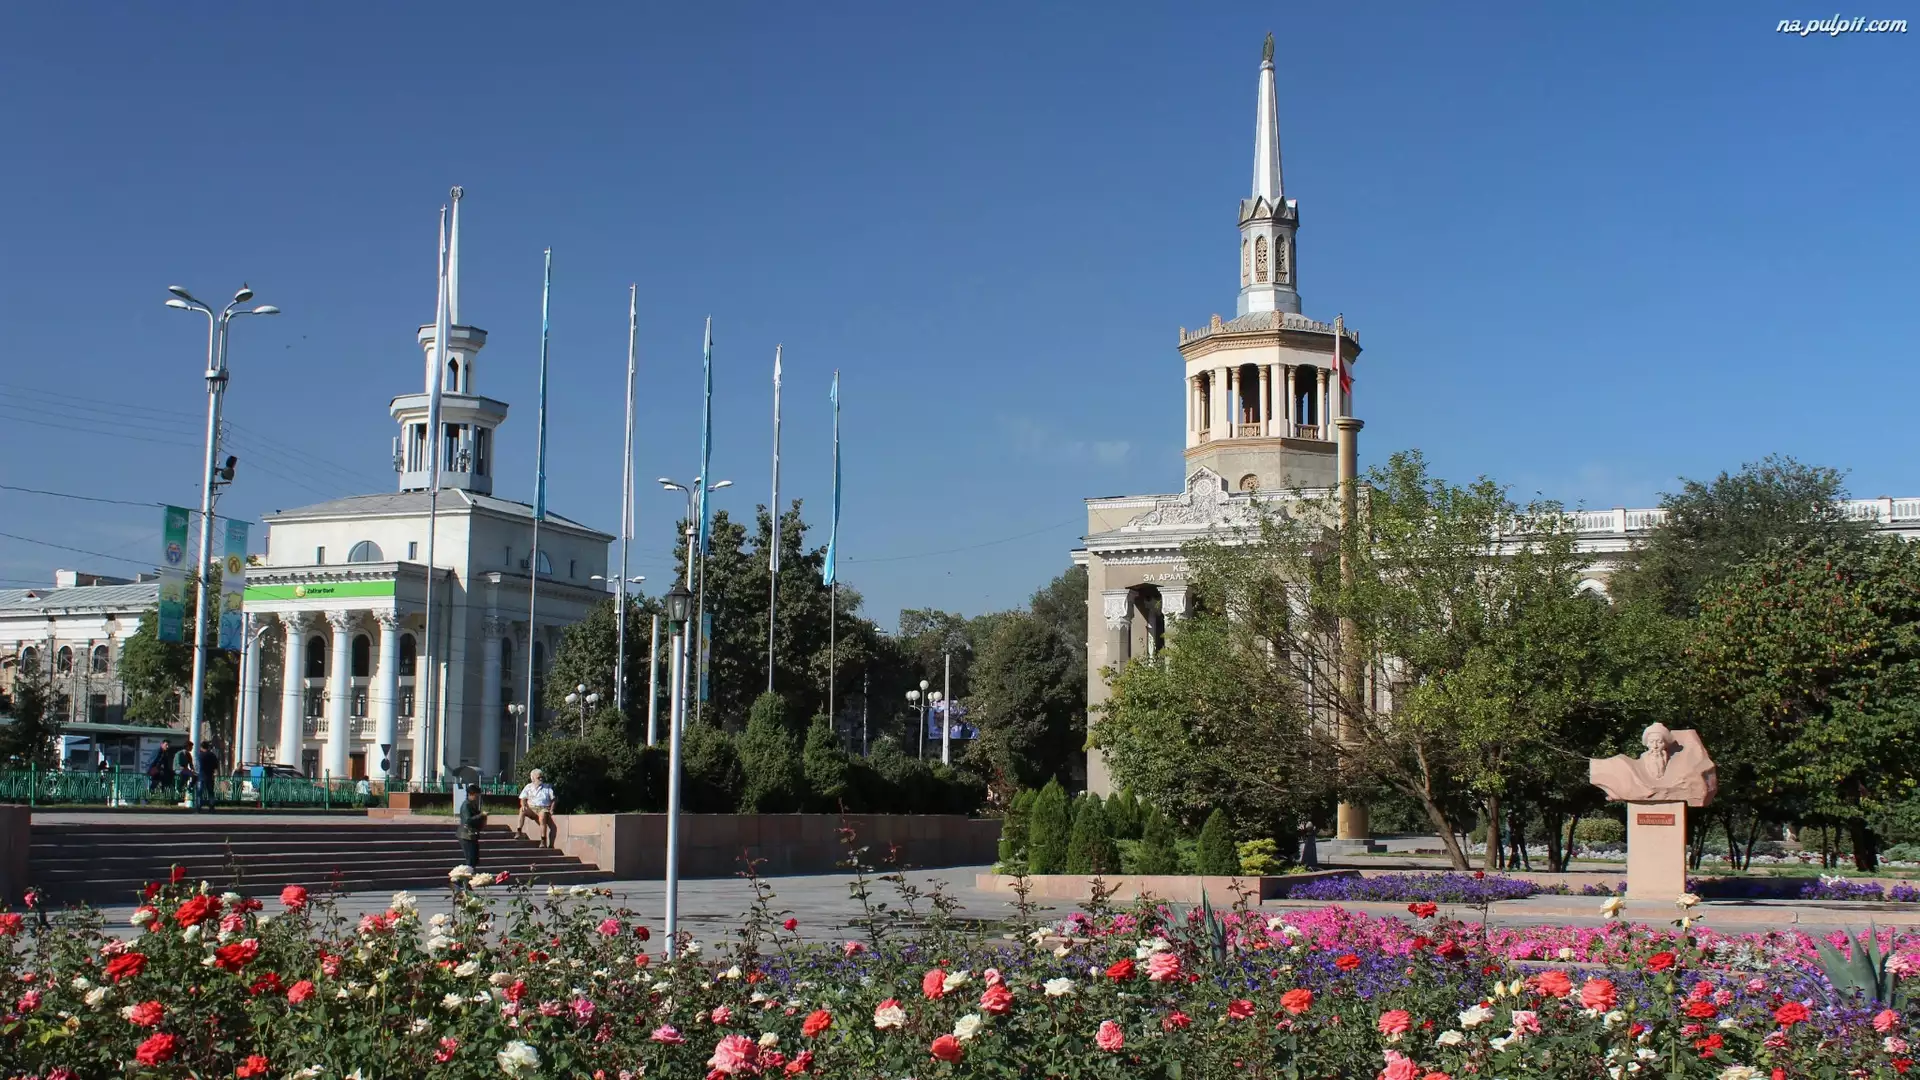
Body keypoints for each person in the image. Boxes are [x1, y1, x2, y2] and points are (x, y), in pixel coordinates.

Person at [518, 769, 556, 848]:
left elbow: (553, 800)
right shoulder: (528, 787)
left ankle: (543, 841)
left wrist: (551, 810)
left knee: (543, 817)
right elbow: (522, 798)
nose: (541, 779)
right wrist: (523, 805)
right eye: (539, 777)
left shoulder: (547, 787)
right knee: (522, 810)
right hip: (531, 808)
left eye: (542, 777)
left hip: (543, 809)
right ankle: (519, 831)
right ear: (533, 778)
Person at [456, 784, 487, 870]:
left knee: (474, 859)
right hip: (466, 835)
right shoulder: (466, 805)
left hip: (473, 835)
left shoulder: (473, 804)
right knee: (470, 859)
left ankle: (472, 874)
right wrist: (481, 815)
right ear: (471, 794)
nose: (477, 798)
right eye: (476, 796)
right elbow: (468, 820)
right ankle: (467, 875)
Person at [195, 741, 220, 811]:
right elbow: (216, 765)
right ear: (208, 747)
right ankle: (211, 806)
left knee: (199, 792)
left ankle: (198, 807)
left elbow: (198, 766)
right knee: (211, 792)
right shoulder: (212, 755)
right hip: (210, 776)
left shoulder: (200, 755)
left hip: (201, 776)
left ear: (201, 747)